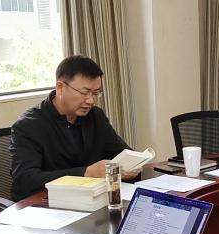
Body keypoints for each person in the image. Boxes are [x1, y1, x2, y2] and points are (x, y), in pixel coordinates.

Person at [10, 55, 137, 201]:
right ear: (60, 88)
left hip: (94, 199)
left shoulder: (95, 115)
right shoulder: (28, 125)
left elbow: (119, 150)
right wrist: (86, 173)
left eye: (96, 93)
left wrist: (133, 163)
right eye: (84, 93)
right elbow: (24, 181)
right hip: (49, 204)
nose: (91, 101)